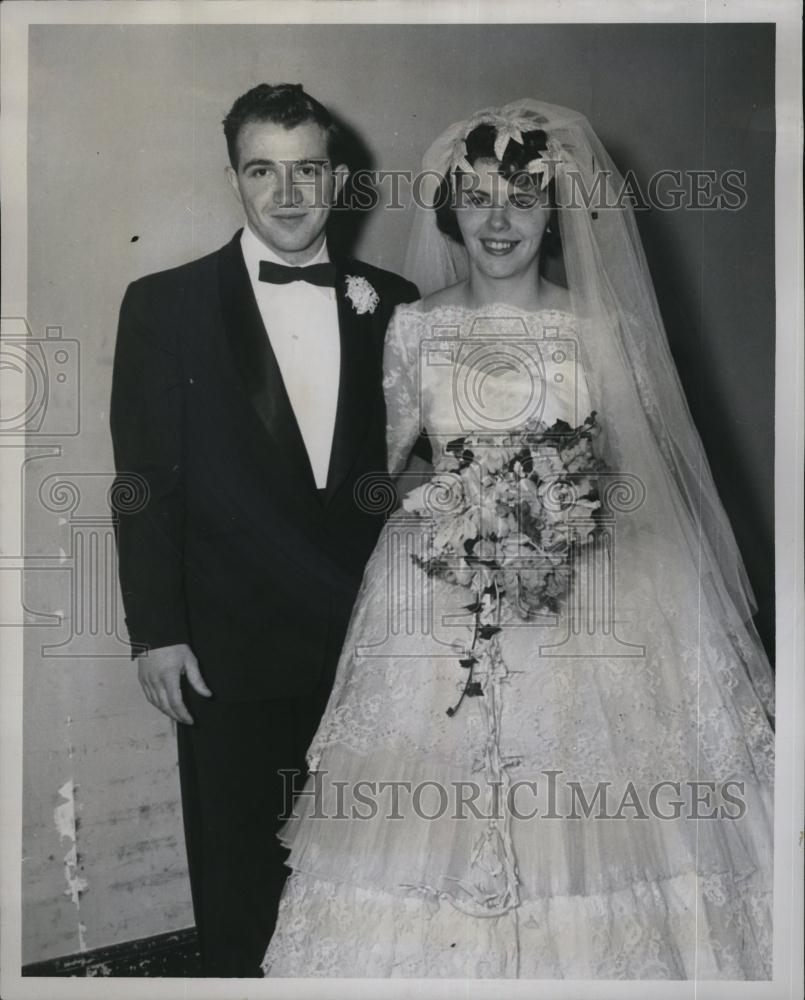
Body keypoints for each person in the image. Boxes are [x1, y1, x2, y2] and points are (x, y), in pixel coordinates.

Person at [261, 100, 775, 979]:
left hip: (588, 591)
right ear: (450, 210)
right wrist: (455, 502)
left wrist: (561, 509)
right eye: (478, 197)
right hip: (436, 591)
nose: (499, 220)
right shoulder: (414, 326)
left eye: (524, 197)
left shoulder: (597, 328)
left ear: (557, 210)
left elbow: (633, 474)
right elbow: (382, 474)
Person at [109, 82, 418, 977]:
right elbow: (142, 486)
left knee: (361, 876)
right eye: (262, 171)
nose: (287, 195)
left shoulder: (395, 302)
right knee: (243, 880)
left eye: (307, 170)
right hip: (226, 647)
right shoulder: (162, 306)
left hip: (371, 646)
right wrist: (156, 631)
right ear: (235, 179)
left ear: (339, 176)